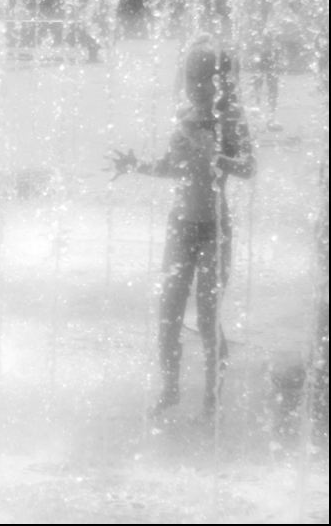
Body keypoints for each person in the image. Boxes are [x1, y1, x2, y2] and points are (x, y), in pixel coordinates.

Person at [110, 35, 256, 419]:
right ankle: (170, 388)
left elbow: (249, 167)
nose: (197, 85)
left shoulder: (230, 119)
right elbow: (172, 167)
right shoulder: (185, 116)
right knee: (169, 313)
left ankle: (212, 395)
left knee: (207, 317)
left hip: (214, 229)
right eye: (191, 77)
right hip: (180, 226)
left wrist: (218, 157)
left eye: (206, 77)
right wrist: (138, 165)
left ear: (222, 80)